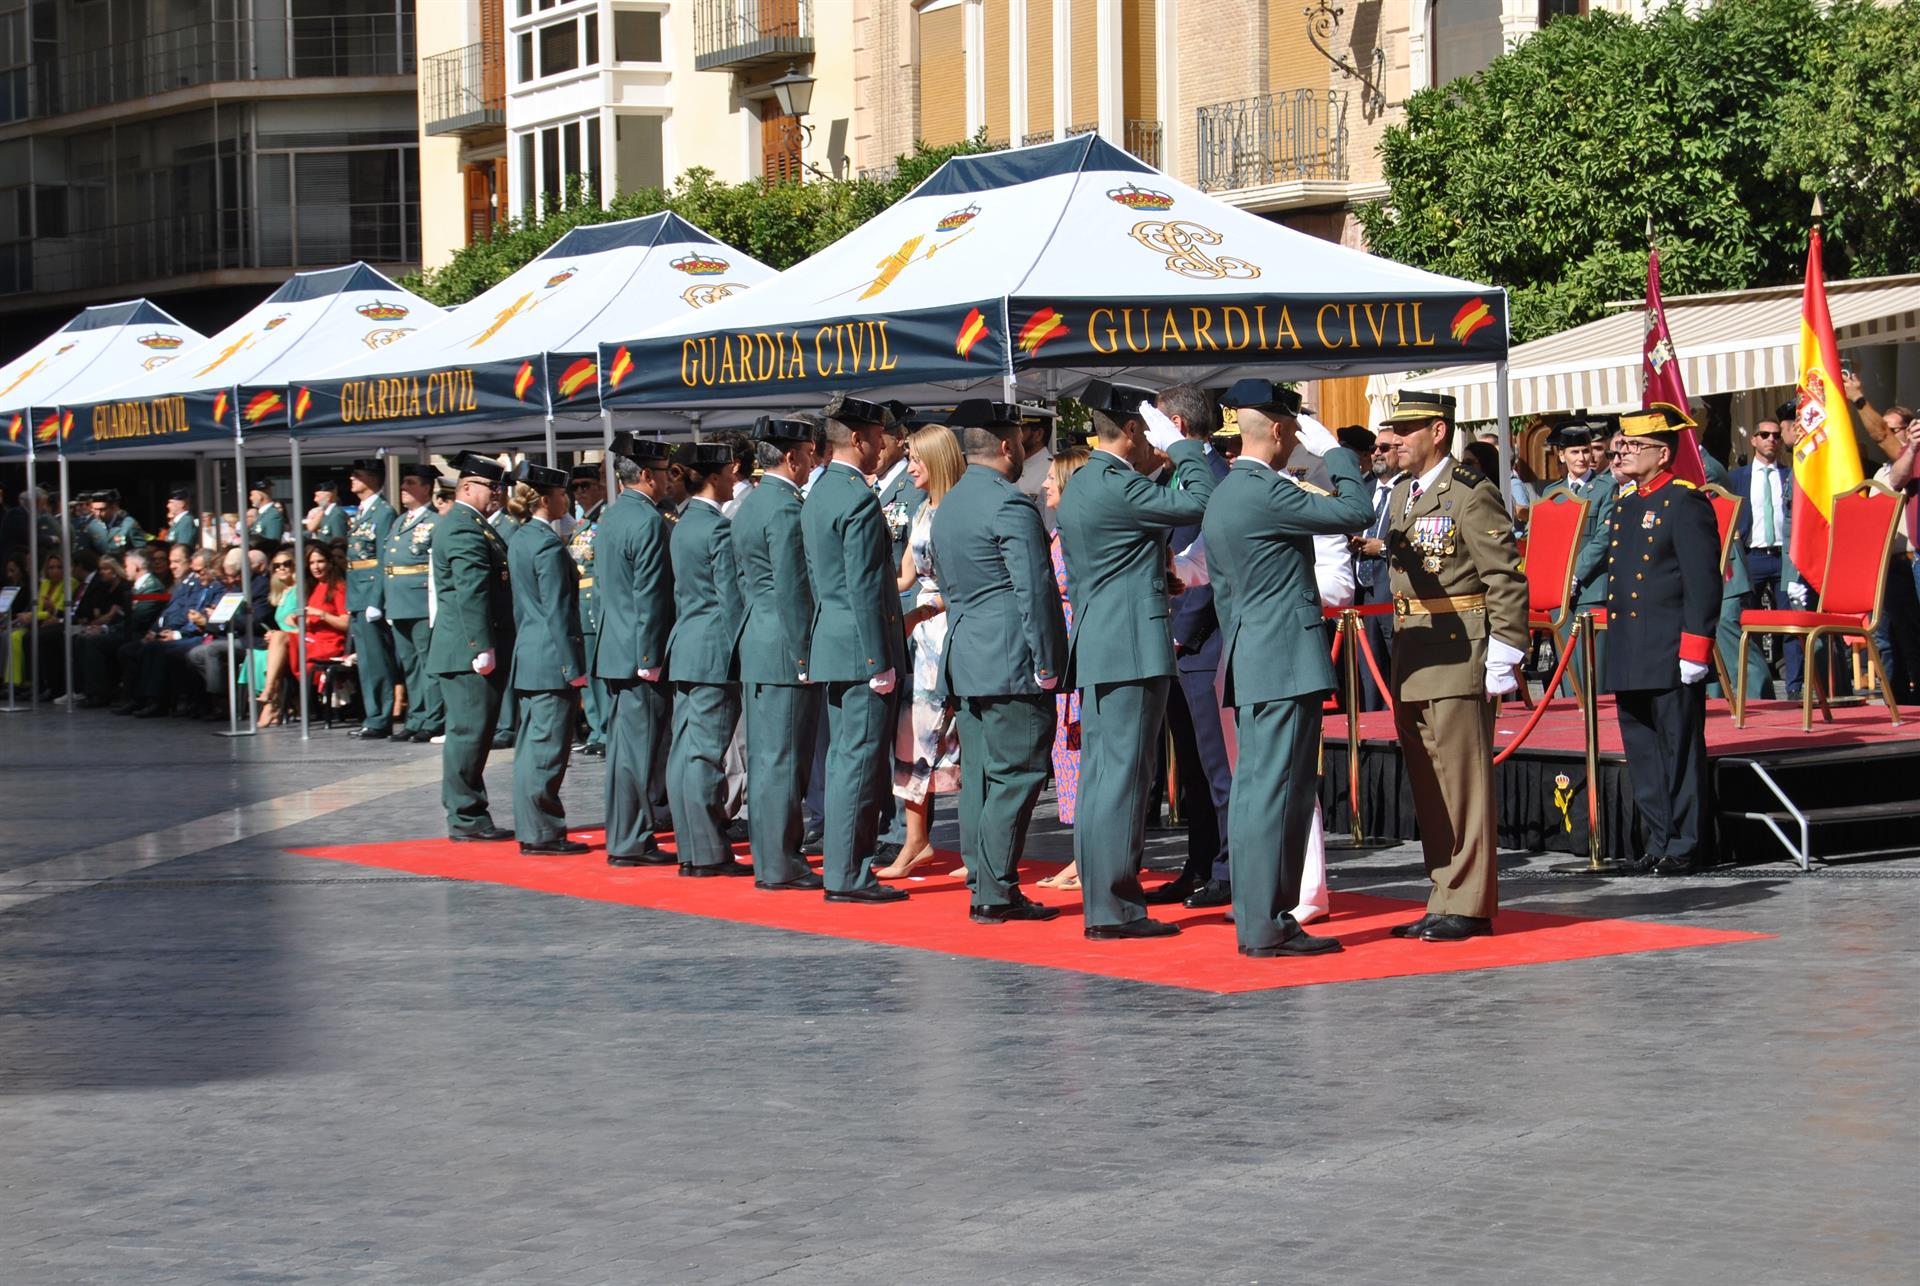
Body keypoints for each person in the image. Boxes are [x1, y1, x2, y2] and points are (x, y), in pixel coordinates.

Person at [1201, 380, 1372, 957]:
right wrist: (1337, 455)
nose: (1297, 439)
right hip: (1283, 660)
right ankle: (1266, 922)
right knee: (1280, 792)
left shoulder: (1226, 491)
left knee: (1261, 792)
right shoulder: (1265, 490)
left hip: (1254, 654)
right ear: (1276, 429)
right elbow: (1356, 509)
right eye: (1295, 429)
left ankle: (1260, 915)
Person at [1057, 379, 1217, 939]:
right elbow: (1200, 500)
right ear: (1130, 431)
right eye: (1148, 433)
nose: (1154, 443)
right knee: (1123, 778)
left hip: (1105, 639)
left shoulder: (1083, 481)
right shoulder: (1117, 482)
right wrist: (1184, 446)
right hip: (1130, 645)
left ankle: (1103, 899)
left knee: (1105, 777)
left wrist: (1156, 576)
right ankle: (1115, 907)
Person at [1381, 392, 1528, 942]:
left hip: (1457, 648)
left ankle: (1470, 902)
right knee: (1429, 782)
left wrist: (1505, 650)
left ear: (1438, 431)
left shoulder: (1470, 492)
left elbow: (1504, 578)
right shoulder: (1402, 495)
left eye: (1406, 429)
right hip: (1414, 649)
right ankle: (1444, 890)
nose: (1394, 439)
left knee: (1463, 783)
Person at [927, 400, 1067, 923]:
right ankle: (996, 889)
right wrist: (1050, 662)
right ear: (1008, 445)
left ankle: (987, 883)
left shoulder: (951, 504)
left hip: (967, 656)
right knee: (1018, 777)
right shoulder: (1009, 505)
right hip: (1011, 660)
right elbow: (1037, 591)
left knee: (984, 778)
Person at [802, 394, 909, 904]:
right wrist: (878, 660)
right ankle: (849, 872)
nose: (883, 444)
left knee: (846, 759)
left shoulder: (820, 493)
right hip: (862, 647)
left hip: (833, 641)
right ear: (861, 440)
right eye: (879, 435)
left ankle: (842, 869)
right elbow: (867, 585)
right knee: (862, 764)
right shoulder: (858, 498)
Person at [1607, 407, 1721, 874]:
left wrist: (1696, 647)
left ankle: (1686, 843)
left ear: (1662, 452)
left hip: (1670, 648)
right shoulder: (1626, 502)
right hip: (1632, 647)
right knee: (1644, 752)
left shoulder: (1684, 502)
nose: (1623, 453)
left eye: (1633, 446)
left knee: (1679, 750)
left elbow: (1702, 582)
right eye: (1622, 445)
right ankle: (1659, 839)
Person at [731, 415, 824, 892]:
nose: (812, 461)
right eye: (809, 453)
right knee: (784, 760)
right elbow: (793, 591)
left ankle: (772, 857)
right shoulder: (785, 508)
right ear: (791, 457)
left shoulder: (749, 504)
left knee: (769, 758)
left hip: (758, 642)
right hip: (784, 646)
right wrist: (807, 656)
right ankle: (781, 860)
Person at [1153, 383, 1237, 909]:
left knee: (1217, 769)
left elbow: (1213, 564)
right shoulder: (1173, 474)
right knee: (1191, 770)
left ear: (1178, 426)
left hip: (1202, 644)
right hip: (1176, 642)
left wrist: (1185, 634)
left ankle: (1227, 869)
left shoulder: (1215, 478)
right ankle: (1201, 862)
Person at [874, 422, 966, 881]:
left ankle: (974, 847)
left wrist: (922, 613)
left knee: (962, 739)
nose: (908, 467)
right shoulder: (924, 510)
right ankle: (917, 840)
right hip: (922, 639)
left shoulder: (957, 510)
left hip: (951, 632)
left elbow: (965, 586)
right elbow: (906, 577)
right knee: (913, 737)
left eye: (915, 459)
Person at [661, 441, 752, 878]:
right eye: (729, 472)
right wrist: (746, 649)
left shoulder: (684, 523)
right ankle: (708, 852)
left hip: (687, 647)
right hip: (714, 649)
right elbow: (731, 599)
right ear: (713, 476)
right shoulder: (716, 527)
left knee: (686, 752)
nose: (735, 478)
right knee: (705, 755)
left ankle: (692, 847)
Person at [595, 435, 678, 867]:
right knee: (637, 754)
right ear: (646, 475)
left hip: (616, 649)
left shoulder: (612, 516)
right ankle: (631, 839)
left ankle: (626, 834)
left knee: (625, 751)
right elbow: (650, 596)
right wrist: (651, 657)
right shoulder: (647, 521)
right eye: (663, 473)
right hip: (639, 654)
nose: (668, 481)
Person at [428, 452, 517, 843]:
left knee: (475, 733)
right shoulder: (464, 527)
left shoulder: (471, 524)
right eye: (491, 487)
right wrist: (481, 644)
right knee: (469, 733)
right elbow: (471, 591)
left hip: (468, 643)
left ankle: (469, 812)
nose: (497, 494)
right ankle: (465, 816)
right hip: (468, 647)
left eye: (499, 487)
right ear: (467, 486)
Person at [504, 460, 591, 856]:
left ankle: (533, 826)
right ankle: (542, 831)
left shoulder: (521, 538)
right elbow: (558, 612)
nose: (566, 500)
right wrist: (574, 668)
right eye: (560, 494)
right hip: (550, 657)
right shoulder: (546, 546)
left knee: (531, 748)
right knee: (547, 750)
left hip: (530, 654)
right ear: (544, 499)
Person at [869, 402, 922, 868]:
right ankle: (884, 821)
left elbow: (920, 557)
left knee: (905, 734)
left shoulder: (911, 487)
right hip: (883, 621)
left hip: (908, 619)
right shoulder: (870, 488)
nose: (875, 446)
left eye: (881, 436)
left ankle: (902, 830)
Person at [1037, 447, 1091, 892]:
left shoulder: (1076, 532)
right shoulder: (1061, 531)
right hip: (1065, 654)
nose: (1045, 484)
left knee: (1080, 753)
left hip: (1080, 654)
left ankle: (1086, 856)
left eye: (1053, 477)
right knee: (1068, 754)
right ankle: (1081, 854)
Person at [1538, 416, 1616, 694]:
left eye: (1586, 450)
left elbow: (1604, 538)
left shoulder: (1607, 488)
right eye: (1574, 452)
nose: (1582, 458)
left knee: (1594, 666)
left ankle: (1601, 728)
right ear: (1561, 455)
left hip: (1592, 587)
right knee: (1567, 666)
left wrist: (1576, 574)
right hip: (1560, 591)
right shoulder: (1551, 493)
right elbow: (1545, 542)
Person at [1729, 420, 1801, 695]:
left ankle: (1794, 686)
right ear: (1754, 440)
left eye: (1775, 435)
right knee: (1748, 622)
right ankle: (1758, 685)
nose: (1771, 439)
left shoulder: (1790, 474)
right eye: (1764, 434)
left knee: (1790, 622)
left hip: (1785, 555)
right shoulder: (1737, 478)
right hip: (1752, 556)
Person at [380, 464, 443, 744]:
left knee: (428, 662)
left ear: (426, 488)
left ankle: (434, 718)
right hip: (399, 599)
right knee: (409, 664)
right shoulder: (399, 521)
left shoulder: (435, 521)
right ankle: (415, 718)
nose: (403, 488)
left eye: (410, 482)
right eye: (403, 483)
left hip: (420, 599)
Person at [343, 460, 400, 739]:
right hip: (357, 593)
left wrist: (376, 600)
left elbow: (382, 559)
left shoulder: (383, 512)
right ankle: (372, 714)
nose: (352, 479)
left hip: (369, 594)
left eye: (359, 474)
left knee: (377, 660)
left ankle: (379, 718)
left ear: (373, 479)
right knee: (366, 661)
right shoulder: (364, 511)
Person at [1349, 424, 1403, 711]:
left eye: (1384, 448)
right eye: (1374, 449)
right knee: (1369, 675)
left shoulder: (1409, 491)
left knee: (1397, 673)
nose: (1377, 454)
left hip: (1392, 595)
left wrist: (1381, 547)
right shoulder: (1365, 489)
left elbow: (1418, 543)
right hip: (1363, 595)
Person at [1876, 409, 1920, 702]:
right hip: (1884, 565)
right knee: (1887, 639)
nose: (1889, 435)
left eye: (1895, 429)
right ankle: (1897, 698)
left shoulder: (1912, 464)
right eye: (1885, 430)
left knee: (1913, 638)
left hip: (1909, 560)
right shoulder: (1881, 471)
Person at [566, 463, 610, 757]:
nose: (579, 493)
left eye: (585, 486)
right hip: (578, 606)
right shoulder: (581, 524)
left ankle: (606, 731)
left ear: (599, 486)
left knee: (598, 671)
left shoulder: (605, 518)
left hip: (593, 602)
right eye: (575, 487)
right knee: (586, 673)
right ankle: (595, 728)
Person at [249, 548, 304, 726]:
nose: (281, 568)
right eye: (277, 566)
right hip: (284, 642)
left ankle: (270, 696)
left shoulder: (300, 591)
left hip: (301, 638)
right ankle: (277, 704)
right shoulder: (281, 593)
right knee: (258, 653)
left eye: (286, 564)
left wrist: (280, 634)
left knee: (275, 643)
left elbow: (304, 624)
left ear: (295, 566)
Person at [306, 479, 349, 545]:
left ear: (328, 497)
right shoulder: (327, 513)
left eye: (317, 496)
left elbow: (339, 541)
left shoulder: (337, 514)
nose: (315, 500)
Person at [246, 480, 286, 549]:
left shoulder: (273, 515)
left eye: (252, 495)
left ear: (259, 496)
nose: (250, 498)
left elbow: (273, 542)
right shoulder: (263, 514)